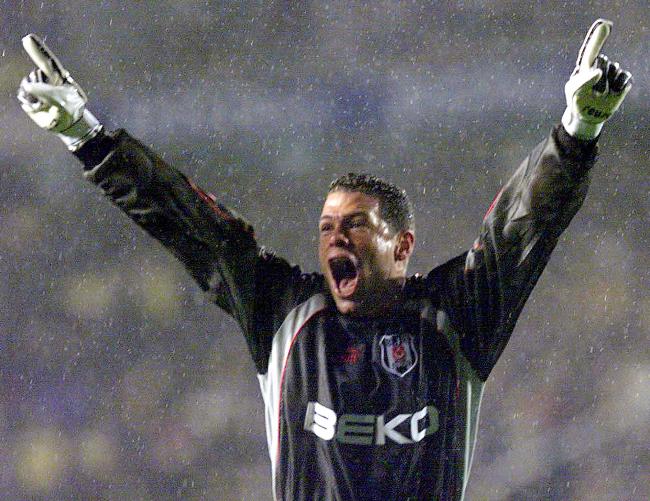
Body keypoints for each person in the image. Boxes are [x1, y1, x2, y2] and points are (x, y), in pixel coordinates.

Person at [17, 19, 632, 501]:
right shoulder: (286, 313)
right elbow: (190, 225)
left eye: (356, 225)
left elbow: (521, 229)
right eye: (326, 227)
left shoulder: (456, 317)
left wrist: (576, 132)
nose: (336, 238)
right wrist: (86, 136)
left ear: (402, 245)